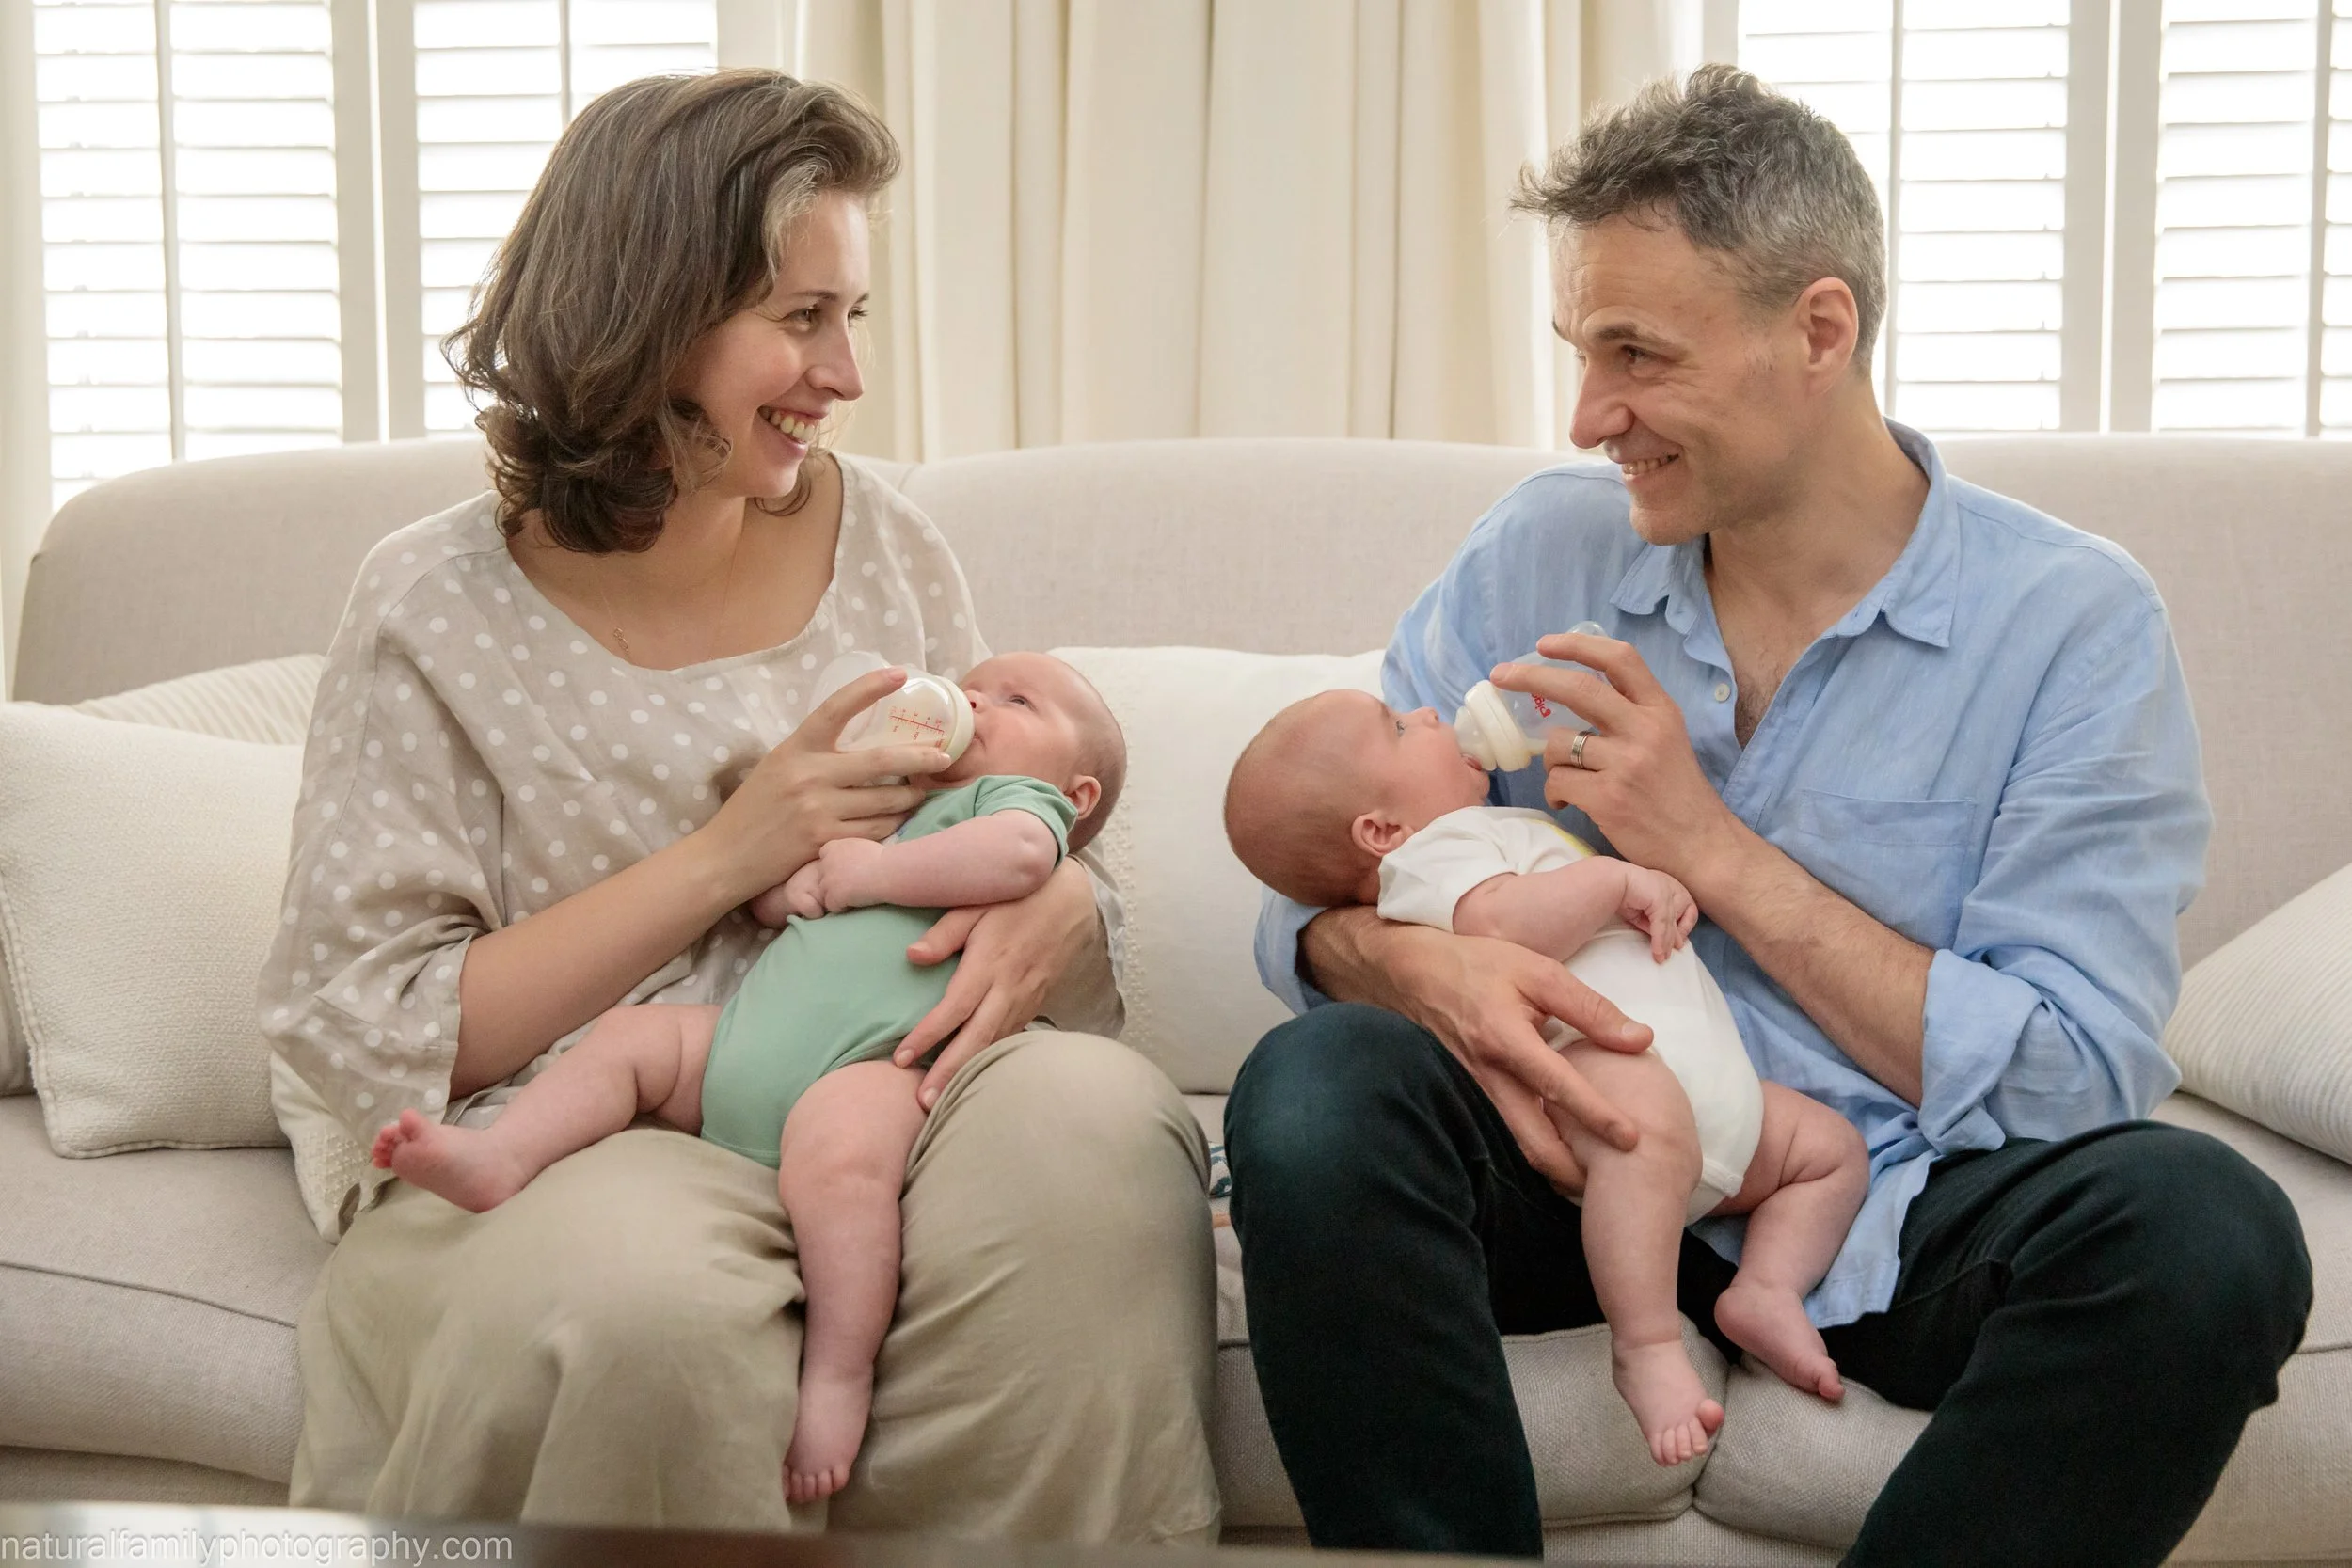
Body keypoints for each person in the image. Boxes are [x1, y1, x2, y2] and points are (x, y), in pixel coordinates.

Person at [1225, 65, 2312, 1564]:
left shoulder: (2070, 624)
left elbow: (2075, 1070)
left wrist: (1709, 852)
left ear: (1819, 329)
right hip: (1573, 1149)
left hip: (1883, 1187)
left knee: (2210, 1232)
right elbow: (1317, 900)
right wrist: (1421, 964)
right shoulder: (1542, 551)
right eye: (1579, 348)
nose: (1589, 412)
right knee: (1316, 1085)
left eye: (1637, 354)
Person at [258, 71, 1217, 1540]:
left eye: (857, 317)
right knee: (650, 1311)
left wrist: (1064, 891)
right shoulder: (429, 606)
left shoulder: (891, 543)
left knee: (1094, 1144)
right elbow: (375, 1032)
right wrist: (733, 852)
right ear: (647, 317)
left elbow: (1004, 813)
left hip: (877, 1085)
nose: (844, 374)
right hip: (583, 1119)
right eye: (799, 316)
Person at [370, 651, 1127, 1503]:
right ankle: (501, 1154)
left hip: (868, 1062)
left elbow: (1022, 857)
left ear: (1078, 795)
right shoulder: (897, 797)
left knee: (841, 1170)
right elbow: (776, 898)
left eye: (1016, 700)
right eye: (974, 685)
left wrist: (872, 874)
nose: (977, 700)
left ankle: (838, 1373)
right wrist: (798, 883)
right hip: (742, 1040)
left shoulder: (1013, 805)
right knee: (630, 1041)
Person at [1223, 689, 1868, 1466]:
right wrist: (1615, 884)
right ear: (1380, 830)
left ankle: (1765, 1287)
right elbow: (1502, 923)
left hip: (1708, 1100)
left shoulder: (1492, 829)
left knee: (1828, 1149)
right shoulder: (1434, 854)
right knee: (1642, 1129)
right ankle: (1647, 1340)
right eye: (1399, 726)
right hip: (1598, 1067)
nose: (1429, 713)